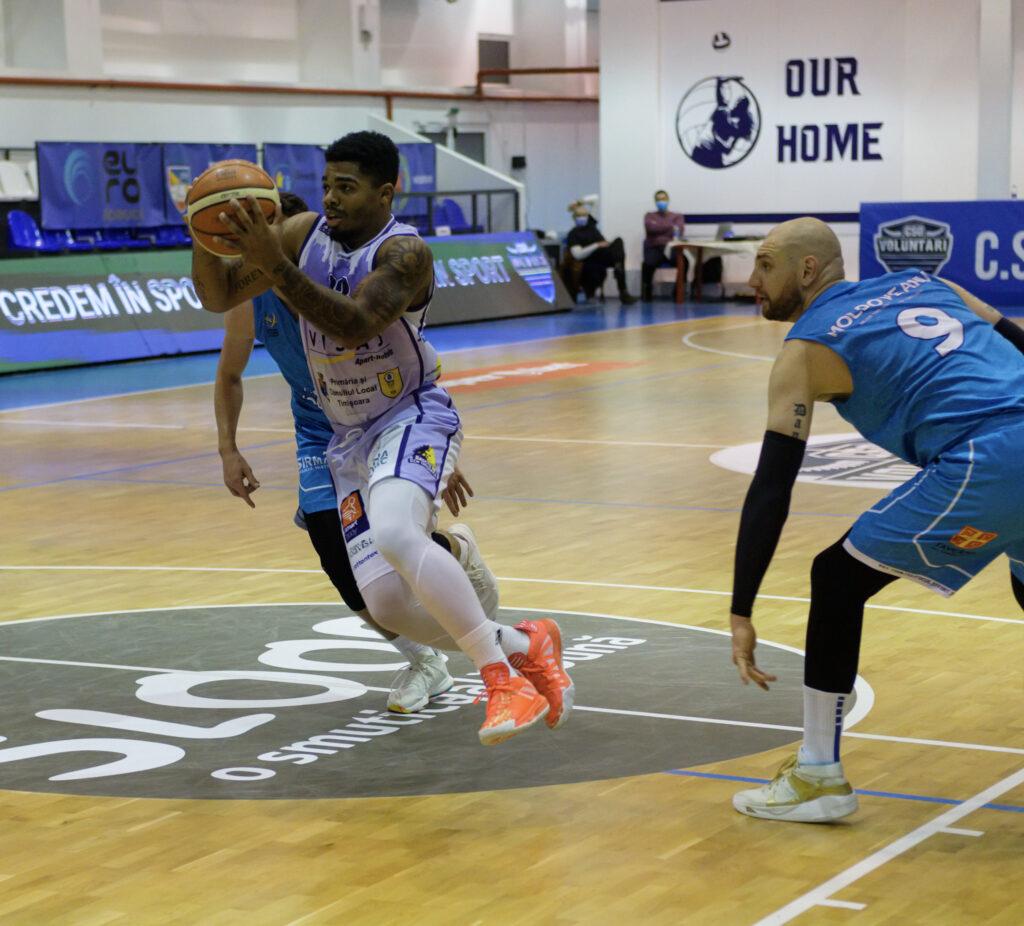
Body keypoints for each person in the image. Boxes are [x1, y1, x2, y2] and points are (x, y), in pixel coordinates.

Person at [193, 132, 574, 746]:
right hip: (345, 439)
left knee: (396, 531)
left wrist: (276, 264)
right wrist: (205, 231)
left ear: (385, 192)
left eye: (346, 187)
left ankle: (501, 681)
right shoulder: (302, 234)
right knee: (390, 605)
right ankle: (527, 644)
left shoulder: (405, 254)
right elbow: (217, 295)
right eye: (326, 185)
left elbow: (352, 325)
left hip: (409, 414)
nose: (331, 198)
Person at [727, 217, 1024, 822]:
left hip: (990, 455)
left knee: (837, 578)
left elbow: (772, 487)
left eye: (765, 265)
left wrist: (740, 609)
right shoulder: (926, 282)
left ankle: (818, 776)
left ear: (807, 269)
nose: (751, 279)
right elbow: (1017, 338)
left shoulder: (805, 351)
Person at [213, 190, 497, 715]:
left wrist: (438, 461)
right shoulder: (250, 297)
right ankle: (424, 661)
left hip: (382, 418)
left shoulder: (339, 280)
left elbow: (410, 364)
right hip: (318, 431)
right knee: (336, 555)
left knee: (394, 539)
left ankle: (455, 554)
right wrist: (228, 448)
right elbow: (230, 373)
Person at [565, 202, 637, 304]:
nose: (582, 218)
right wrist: (597, 245)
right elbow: (578, 255)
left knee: (618, 241)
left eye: (584, 215)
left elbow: (594, 200)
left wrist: (580, 202)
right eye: (579, 216)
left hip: (604, 255)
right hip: (591, 259)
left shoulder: (591, 225)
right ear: (574, 218)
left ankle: (620, 276)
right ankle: (620, 275)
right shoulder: (573, 234)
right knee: (617, 263)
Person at [641, 190, 685, 302]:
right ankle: (646, 293)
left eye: (663, 199)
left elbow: (679, 230)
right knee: (647, 264)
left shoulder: (677, 216)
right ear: (655, 201)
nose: (661, 201)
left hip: (671, 248)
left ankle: (678, 292)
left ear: (668, 200)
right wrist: (670, 227)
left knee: (684, 262)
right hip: (654, 248)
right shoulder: (649, 216)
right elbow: (650, 229)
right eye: (659, 199)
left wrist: (659, 227)